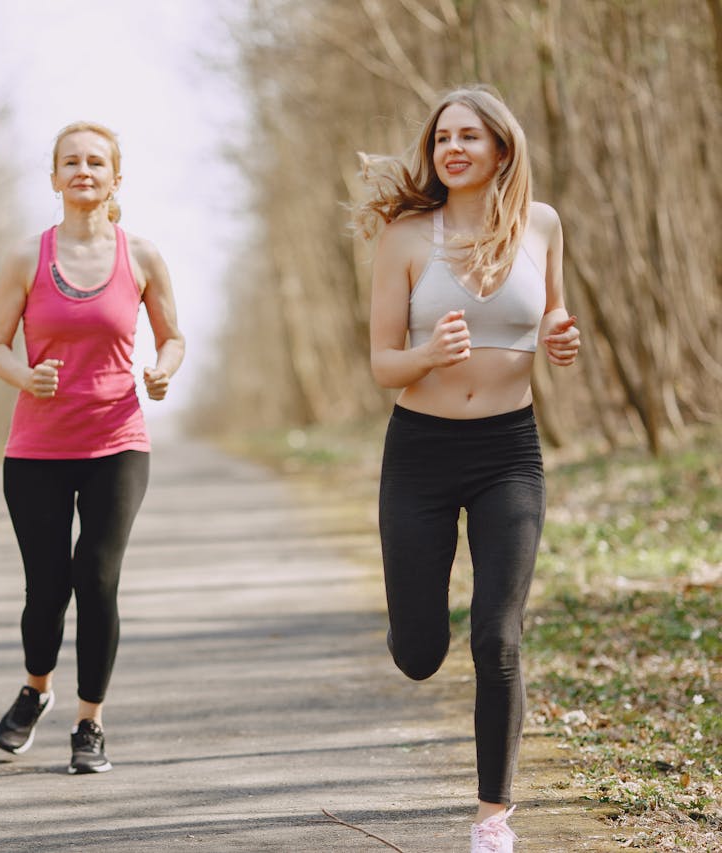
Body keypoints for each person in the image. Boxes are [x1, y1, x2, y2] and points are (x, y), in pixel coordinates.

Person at [353, 85, 580, 853]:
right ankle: (414, 625)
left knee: (498, 634)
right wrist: (428, 354)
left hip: (507, 453)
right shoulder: (406, 237)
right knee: (420, 653)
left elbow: (551, 310)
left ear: (502, 150)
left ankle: (492, 817)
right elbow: (384, 361)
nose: (453, 148)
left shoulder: (540, 225)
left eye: (470, 137)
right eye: (443, 137)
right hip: (419, 451)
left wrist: (559, 336)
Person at [0, 121, 185, 774]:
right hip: (36, 447)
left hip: (117, 441)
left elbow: (173, 337)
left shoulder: (142, 256)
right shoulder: (26, 257)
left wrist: (163, 370)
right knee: (47, 586)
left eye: (96, 161)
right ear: (54, 178)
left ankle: (89, 721)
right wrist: (25, 375)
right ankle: (36, 688)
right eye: (70, 161)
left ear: (115, 177)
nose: (83, 170)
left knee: (97, 578)